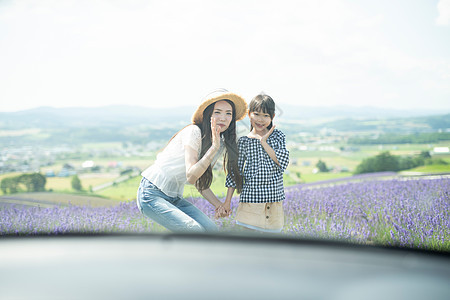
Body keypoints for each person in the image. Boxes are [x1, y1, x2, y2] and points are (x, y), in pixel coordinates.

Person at [136, 89, 246, 232]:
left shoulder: (218, 143)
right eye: (217, 112)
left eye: (228, 113)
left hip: (174, 197)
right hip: (150, 194)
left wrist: (219, 205)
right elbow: (191, 175)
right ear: (208, 115)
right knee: (194, 230)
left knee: (212, 230)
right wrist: (213, 148)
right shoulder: (193, 132)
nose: (223, 118)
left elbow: (199, 180)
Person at [223, 93, 289, 233]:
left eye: (266, 115)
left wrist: (263, 142)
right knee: (248, 245)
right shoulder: (244, 142)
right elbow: (235, 172)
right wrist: (227, 202)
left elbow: (282, 161)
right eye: (257, 114)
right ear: (249, 114)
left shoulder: (278, 136)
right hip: (251, 201)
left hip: (273, 202)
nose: (261, 119)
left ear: (272, 117)